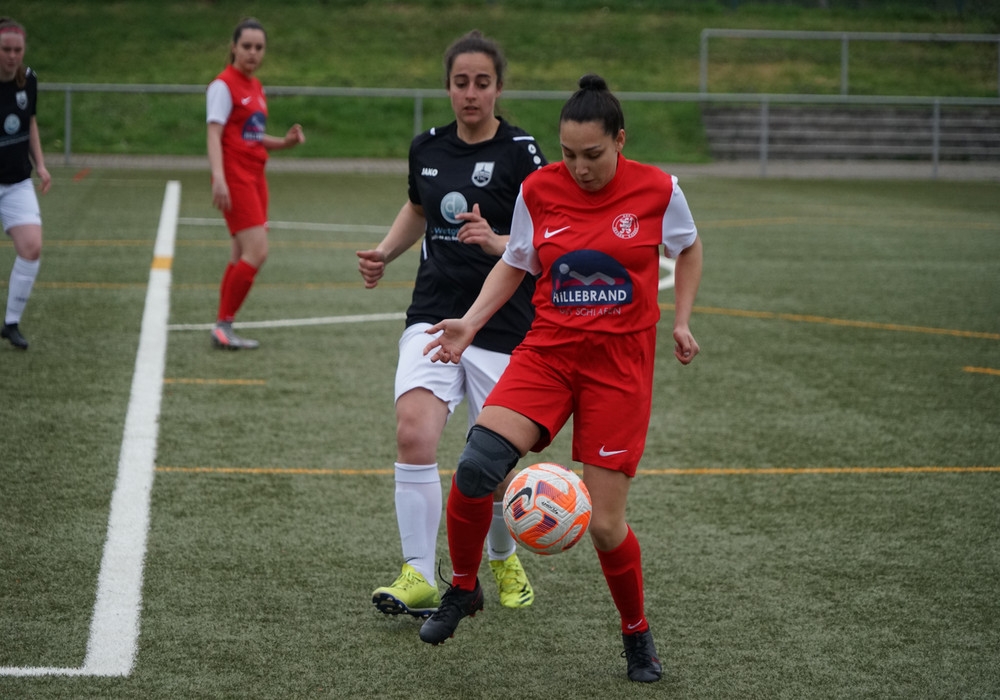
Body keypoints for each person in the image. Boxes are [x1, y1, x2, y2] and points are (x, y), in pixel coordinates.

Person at [419, 74, 703, 683]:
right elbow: (516, 261)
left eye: (592, 154)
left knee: (605, 524)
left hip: (619, 368)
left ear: (620, 141)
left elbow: (687, 247)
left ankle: (636, 635)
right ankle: (464, 588)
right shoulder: (539, 189)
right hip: (548, 353)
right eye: (569, 154)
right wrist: (470, 323)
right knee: (475, 467)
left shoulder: (659, 189)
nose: (579, 167)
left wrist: (681, 320)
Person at [357, 30, 547, 618]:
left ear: (498, 88)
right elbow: (418, 206)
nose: (470, 94)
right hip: (434, 315)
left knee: (491, 465)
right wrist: (386, 252)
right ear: (447, 87)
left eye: (482, 83)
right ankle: (418, 573)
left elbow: (547, 234)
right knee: (414, 433)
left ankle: (502, 557)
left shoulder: (522, 152)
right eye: (461, 83)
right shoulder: (427, 148)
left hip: (503, 324)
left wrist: (498, 241)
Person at [206, 17, 305, 350]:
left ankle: (223, 325)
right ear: (234, 47)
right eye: (246, 46)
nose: (253, 52)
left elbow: (253, 136)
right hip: (235, 177)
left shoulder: (256, 86)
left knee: (240, 253)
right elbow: (214, 134)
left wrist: (285, 143)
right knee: (257, 251)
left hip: (256, 176)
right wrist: (219, 177)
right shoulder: (223, 86)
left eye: (259, 47)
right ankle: (223, 325)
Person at [0, 17, 50, 350]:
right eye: (6, 49)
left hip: (17, 182)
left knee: (32, 247)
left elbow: (29, 122)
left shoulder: (28, 80)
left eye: (17, 50)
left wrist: (41, 165)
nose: (12, 56)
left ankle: (11, 323)